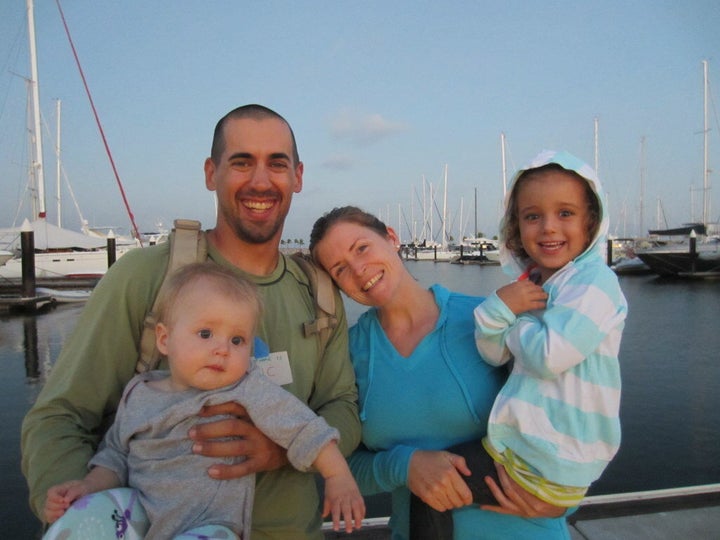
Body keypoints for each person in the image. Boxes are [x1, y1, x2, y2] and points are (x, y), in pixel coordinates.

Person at [22, 105, 361, 540]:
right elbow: (59, 418)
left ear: (297, 176)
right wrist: (77, 515)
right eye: (241, 162)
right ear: (210, 173)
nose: (260, 181)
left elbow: (343, 408)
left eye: (276, 163)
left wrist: (281, 449)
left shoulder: (319, 294)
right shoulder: (146, 276)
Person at [42, 263, 365, 539]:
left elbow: (305, 429)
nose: (222, 349)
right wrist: (87, 487)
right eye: (206, 334)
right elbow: (115, 455)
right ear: (165, 339)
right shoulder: (138, 392)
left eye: (237, 340)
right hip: (141, 519)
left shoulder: (245, 388)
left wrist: (338, 477)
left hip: (210, 528)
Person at [309, 206, 571, 540]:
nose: (359, 270)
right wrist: (406, 466)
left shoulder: (487, 318)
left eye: (362, 248)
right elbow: (341, 465)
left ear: (391, 238)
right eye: (340, 269)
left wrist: (565, 502)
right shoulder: (348, 353)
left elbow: (572, 413)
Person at [411, 150, 628, 539]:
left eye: (565, 213)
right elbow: (491, 352)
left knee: (430, 484)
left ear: (591, 220)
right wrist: (501, 308)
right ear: (516, 225)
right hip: (528, 451)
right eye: (533, 216)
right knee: (434, 476)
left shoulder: (595, 284)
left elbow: (550, 355)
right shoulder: (534, 285)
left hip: (553, 459)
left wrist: (508, 317)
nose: (548, 227)